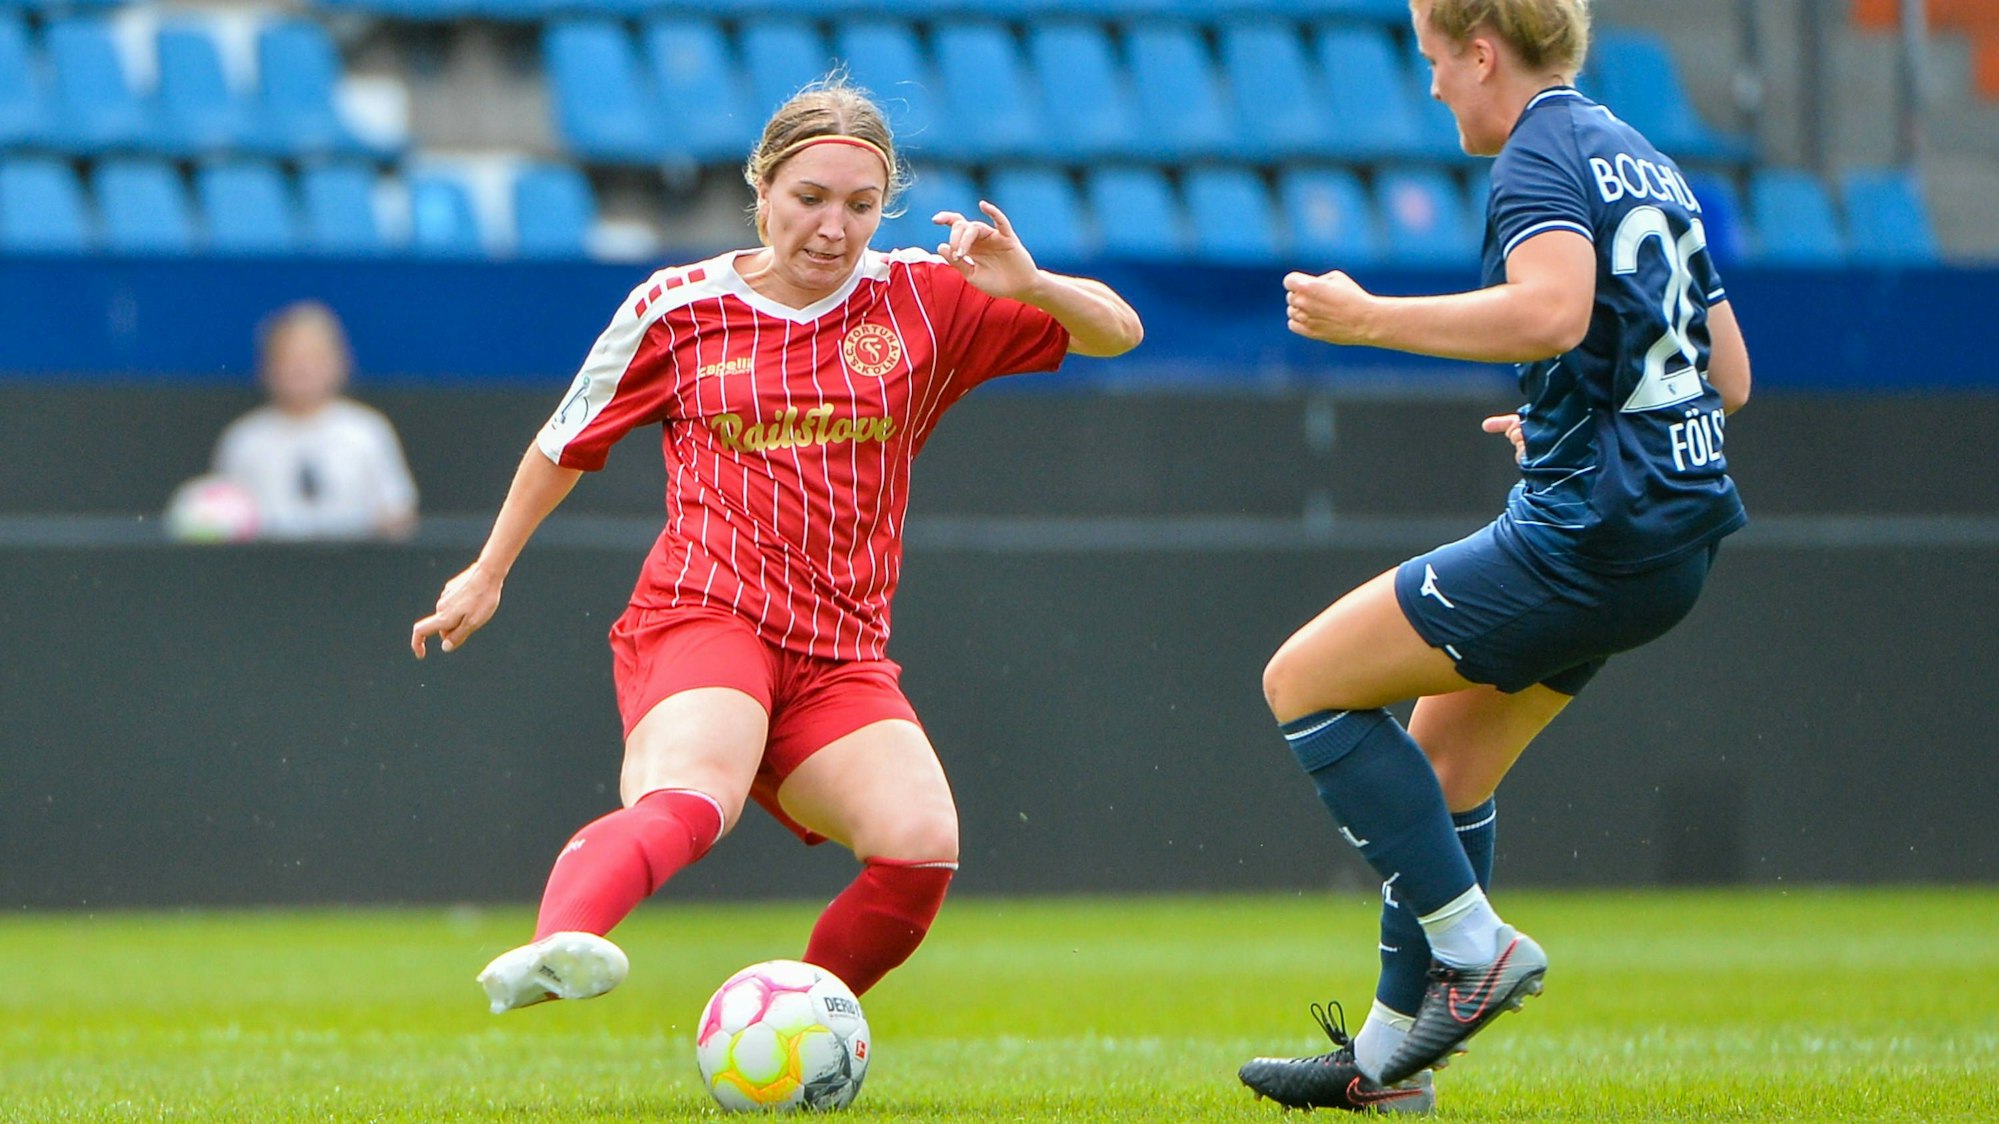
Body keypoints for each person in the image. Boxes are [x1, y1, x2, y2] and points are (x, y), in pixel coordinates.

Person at [409, 75, 1143, 1014]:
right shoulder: (677, 306)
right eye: (809, 198)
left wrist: (1031, 284)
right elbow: (564, 444)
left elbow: (1119, 333)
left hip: (839, 649)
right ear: (761, 190)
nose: (833, 227)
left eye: (860, 205)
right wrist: (488, 570)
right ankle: (558, 946)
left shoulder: (925, 298)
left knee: (921, 844)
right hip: (706, 611)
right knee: (694, 793)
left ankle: (795, 1025)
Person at [1238, 0, 1751, 1113]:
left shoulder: (1535, 154)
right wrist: (1571, 419)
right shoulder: (1643, 156)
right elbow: (1726, 373)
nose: (1431, 86)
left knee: (1302, 682)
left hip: (1588, 536)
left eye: (1433, 59)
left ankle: (1477, 947)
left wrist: (1369, 320)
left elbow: (1553, 313)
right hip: (1672, 541)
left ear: (1481, 52)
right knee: (1445, 764)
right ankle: (1387, 1066)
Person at [208, 301, 418, 541]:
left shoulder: (366, 431)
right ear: (266, 366)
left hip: (354, 559)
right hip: (266, 561)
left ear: (339, 362)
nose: (301, 370)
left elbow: (398, 511)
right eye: (288, 359)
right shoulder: (244, 440)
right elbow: (223, 519)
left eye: (313, 359)